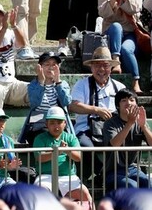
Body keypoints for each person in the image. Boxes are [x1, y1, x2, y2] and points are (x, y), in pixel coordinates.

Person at [68, 46, 125, 181]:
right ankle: (104, 175)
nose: (101, 69)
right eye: (97, 65)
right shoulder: (81, 85)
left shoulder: (119, 87)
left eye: (105, 65)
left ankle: (112, 175)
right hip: (86, 129)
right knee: (86, 147)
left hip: (112, 130)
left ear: (111, 67)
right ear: (91, 67)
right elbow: (73, 106)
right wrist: (96, 110)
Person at [99, 0, 144, 93]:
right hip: (111, 35)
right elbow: (103, 13)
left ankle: (136, 82)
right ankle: (116, 60)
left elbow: (135, 8)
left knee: (126, 49)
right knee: (116, 26)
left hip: (130, 33)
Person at [33, 106, 92, 204]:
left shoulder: (71, 138)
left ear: (65, 123)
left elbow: (78, 157)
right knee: (40, 192)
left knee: (85, 194)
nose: (56, 126)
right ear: (46, 124)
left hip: (68, 177)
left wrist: (67, 150)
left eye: (59, 122)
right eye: (52, 123)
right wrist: (57, 152)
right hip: (45, 176)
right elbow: (39, 158)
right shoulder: (40, 138)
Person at [19, 51, 73, 145]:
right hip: (38, 124)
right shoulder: (33, 85)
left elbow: (66, 102)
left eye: (54, 65)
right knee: (42, 137)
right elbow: (34, 103)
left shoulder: (62, 84)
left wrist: (58, 82)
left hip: (57, 123)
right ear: (40, 67)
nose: (50, 68)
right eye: (47, 64)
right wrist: (41, 83)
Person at [103, 88, 152, 189]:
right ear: (118, 105)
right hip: (113, 171)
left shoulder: (140, 122)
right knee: (132, 186)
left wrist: (143, 126)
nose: (128, 103)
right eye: (123, 100)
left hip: (133, 169)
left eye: (131, 100)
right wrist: (129, 123)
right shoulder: (110, 123)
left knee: (148, 184)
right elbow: (115, 144)